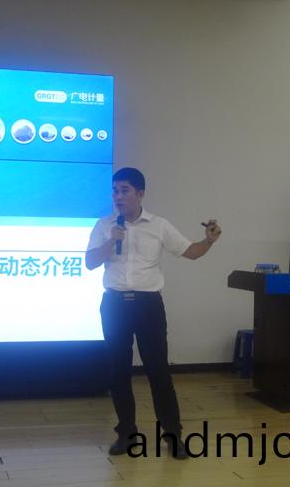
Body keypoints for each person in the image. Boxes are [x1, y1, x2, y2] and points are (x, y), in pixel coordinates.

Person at [85, 167, 222, 459]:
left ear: (140, 194)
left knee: (159, 371)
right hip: (114, 305)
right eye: (115, 191)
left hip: (148, 306)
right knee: (119, 372)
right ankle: (126, 434)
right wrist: (111, 240)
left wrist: (209, 240)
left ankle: (173, 436)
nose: (118, 196)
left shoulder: (159, 226)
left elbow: (191, 252)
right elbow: (90, 262)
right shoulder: (105, 225)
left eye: (124, 190)